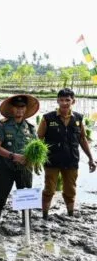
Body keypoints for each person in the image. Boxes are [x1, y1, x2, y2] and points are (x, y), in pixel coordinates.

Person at [38, 88, 96, 219]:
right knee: (49, 190)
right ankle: (45, 216)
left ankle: (70, 214)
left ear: (73, 101)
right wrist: (37, 158)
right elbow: (39, 139)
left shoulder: (78, 118)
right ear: (57, 100)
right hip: (52, 161)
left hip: (71, 160)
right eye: (62, 100)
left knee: (70, 190)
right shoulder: (47, 118)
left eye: (68, 100)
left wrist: (91, 158)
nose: (64, 103)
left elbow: (82, 139)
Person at [0, 94, 39, 227]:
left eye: (22, 107)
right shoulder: (2, 125)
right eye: (16, 107)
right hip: (5, 167)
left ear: (25, 109)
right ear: (12, 109)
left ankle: (26, 227)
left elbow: (36, 148)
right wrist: (14, 156)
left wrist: (33, 160)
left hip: (25, 169)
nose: (19, 110)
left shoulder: (30, 128)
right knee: (0, 197)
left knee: (26, 198)